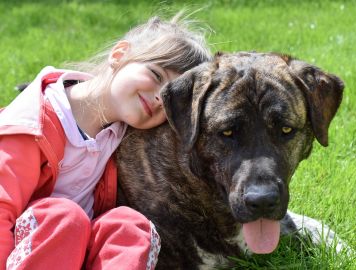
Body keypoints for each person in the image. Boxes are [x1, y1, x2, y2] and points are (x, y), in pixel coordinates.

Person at [0, 13, 211, 270]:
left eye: (169, 99)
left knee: (130, 225)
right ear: (119, 55)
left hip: (80, 247)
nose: (159, 98)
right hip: (25, 248)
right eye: (156, 75)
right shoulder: (32, 124)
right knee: (65, 216)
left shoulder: (122, 134)